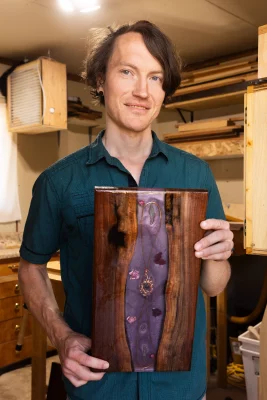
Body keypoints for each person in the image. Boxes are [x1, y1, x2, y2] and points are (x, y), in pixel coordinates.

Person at [19, 20, 233, 400]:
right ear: (101, 80)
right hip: (98, 388)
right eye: (127, 72)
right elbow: (31, 266)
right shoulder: (58, 182)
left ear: (165, 91)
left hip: (179, 389)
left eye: (154, 77)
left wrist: (219, 253)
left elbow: (213, 285)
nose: (141, 91)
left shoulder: (195, 173)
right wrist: (61, 336)